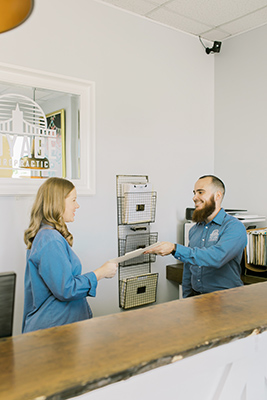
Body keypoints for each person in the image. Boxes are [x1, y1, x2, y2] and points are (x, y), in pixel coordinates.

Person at [22, 177, 118, 333]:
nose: (77, 205)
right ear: (58, 202)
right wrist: (100, 273)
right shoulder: (50, 239)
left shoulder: (47, 237)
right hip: (53, 330)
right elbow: (66, 289)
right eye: (73, 200)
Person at [145, 175, 247, 297]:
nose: (194, 198)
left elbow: (217, 257)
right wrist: (187, 298)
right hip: (196, 298)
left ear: (218, 195)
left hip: (226, 298)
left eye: (200, 192)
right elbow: (189, 267)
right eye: (194, 193)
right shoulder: (194, 229)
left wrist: (175, 248)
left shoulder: (234, 227)